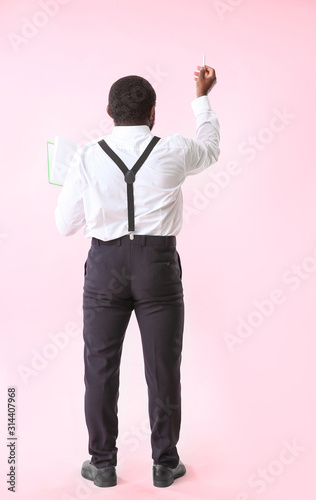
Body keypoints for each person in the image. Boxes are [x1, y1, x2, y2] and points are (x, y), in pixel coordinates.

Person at [54, 64, 219, 488]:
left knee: (100, 366)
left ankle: (102, 463)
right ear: (153, 113)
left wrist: (89, 193)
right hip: (158, 266)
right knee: (164, 366)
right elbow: (211, 147)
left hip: (106, 264)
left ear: (109, 110)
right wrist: (202, 97)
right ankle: (165, 463)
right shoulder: (175, 150)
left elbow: (65, 224)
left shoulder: (86, 155)